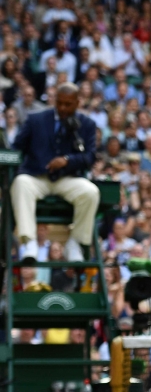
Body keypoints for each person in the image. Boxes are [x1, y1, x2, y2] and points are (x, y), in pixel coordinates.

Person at [11, 83, 99, 262]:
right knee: (20, 183)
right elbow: (16, 149)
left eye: (68, 104)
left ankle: (75, 243)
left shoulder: (87, 124)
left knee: (91, 192)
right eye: (60, 103)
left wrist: (67, 160)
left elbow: (90, 157)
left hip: (67, 179)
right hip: (37, 178)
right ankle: (29, 242)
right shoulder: (36, 119)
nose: (63, 108)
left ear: (77, 102)